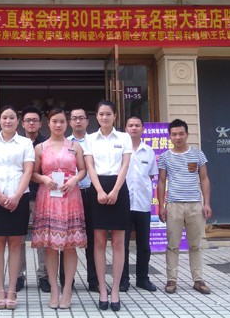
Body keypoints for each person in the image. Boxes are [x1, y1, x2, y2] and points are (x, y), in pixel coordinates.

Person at [31, 108, 87, 309]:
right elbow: (32, 174)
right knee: (51, 246)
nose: (58, 125)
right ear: (48, 123)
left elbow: (83, 169)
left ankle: (68, 289)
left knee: (70, 245)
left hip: (70, 197)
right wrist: (44, 178)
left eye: (62, 121)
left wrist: (74, 179)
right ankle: (54, 289)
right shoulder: (40, 148)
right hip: (48, 198)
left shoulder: (75, 146)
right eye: (54, 121)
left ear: (67, 123)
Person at [0, 105, 35, 310]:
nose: (8, 121)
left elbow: (28, 171)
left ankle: (12, 290)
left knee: (15, 244)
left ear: (17, 120)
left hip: (19, 197)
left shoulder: (25, 143)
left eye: (12, 117)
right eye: (4, 117)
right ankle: (0, 289)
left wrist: (17, 196)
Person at [84, 100, 132, 312]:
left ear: (115, 116)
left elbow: (125, 165)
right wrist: (100, 191)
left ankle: (115, 291)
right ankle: (102, 289)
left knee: (119, 242)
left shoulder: (124, 137)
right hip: (98, 188)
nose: (104, 117)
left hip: (119, 188)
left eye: (108, 114)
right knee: (99, 242)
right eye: (101, 114)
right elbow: (90, 166)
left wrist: (115, 191)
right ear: (96, 116)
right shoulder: (89, 139)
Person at [157, 119, 212, 295]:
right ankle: (171, 280)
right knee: (172, 245)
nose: (178, 137)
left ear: (187, 134)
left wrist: (207, 203)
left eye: (181, 133)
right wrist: (161, 206)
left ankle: (198, 279)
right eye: (174, 134)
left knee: (195, 244)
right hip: (173, 205)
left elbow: (204, 179)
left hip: (195, 205)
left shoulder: (198, 154)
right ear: (169, 136)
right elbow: (161, 181)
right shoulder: (165, 157)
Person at [120, 116, 158, 292]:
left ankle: (143, 279)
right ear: (125, 129)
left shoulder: (149, 151)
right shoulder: (121, 150)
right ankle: (123, 280)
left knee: (143, 245)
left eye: (137, 125)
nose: (134, 128)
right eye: (130, 125)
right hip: (123, 204)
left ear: (143, 129)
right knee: (123, 245)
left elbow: (151, 175)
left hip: (143, 204)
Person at [67, 108, 98, 293]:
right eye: (74, 118)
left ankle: (94, 280)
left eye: (81, 118)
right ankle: (67, 281)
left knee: (93, 238)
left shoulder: (94, 141)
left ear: (87, 121)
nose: (78, 121)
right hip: (70, 195)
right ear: (70, 122)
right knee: (67, 238)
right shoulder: (65, 143)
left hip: (92, 193)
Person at [19, 105, 48, 292]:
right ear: (22, 123)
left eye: (34, 120)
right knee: (18, 237)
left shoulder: (46, 144)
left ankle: (44, 275)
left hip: (41, 195)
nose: (31, 123)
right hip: (20, 195)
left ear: (40, 123)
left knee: (42, 237)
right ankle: (19, 275)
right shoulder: (17, 143)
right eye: (28, 120)